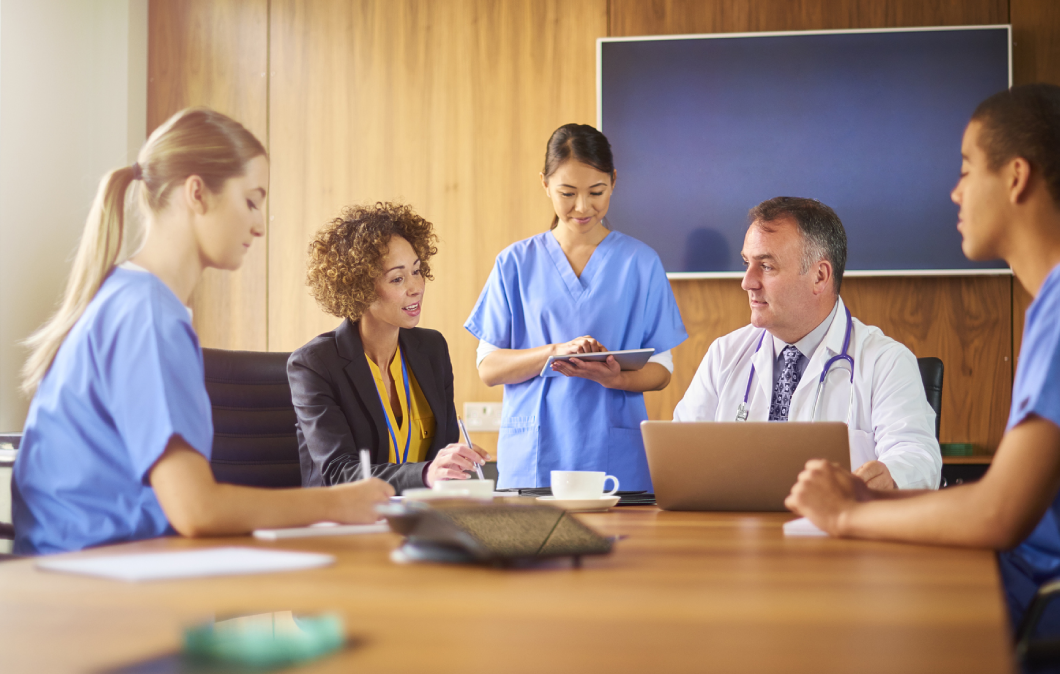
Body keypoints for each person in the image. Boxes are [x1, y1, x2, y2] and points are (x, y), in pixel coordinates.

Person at [785, 84, 1060, 657]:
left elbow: (1000, 513)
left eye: (966, 169)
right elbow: (1013, 496)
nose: (955, 192)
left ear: (1015, 177)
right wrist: (872, 502)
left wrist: (847, 516)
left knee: (837, 630)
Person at [12, 108, 393, 555]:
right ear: (197, 193)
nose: (259, 225)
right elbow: (195, 510)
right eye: (251, 201)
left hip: (103, 565)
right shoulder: (147, 315)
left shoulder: (128, 297)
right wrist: (336, 503)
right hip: (93, 581)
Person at [465, 124, 688, 491]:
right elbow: (488, 368)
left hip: (614, 460)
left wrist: (618, 378)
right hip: (534, 459)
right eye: (567, 193)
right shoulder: (515, 263)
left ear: (614, 181)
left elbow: (661, 369)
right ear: (545, 184)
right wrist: (555, 352)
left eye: (596, 191)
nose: (583, 207)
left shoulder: (641, 262)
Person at [674, 197, 942, 490]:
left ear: (819, 276)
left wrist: (890, 475)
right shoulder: (725, 355)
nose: (747, 282)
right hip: (739, 529)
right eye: (746, 263)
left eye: (766, 265)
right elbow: (679, 454)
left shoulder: (886, 362)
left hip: (836, 529)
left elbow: (919, 457)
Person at [288, 202, 487, 491]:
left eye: (417, 271)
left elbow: (440, 453)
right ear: (359, 287)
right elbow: (339, 472)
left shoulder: (432, 349)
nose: (416, 287)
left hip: (421, 518)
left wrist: (456, 462)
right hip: (347, 524)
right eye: (398, 278)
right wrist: (425, 473)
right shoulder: (315, 364)